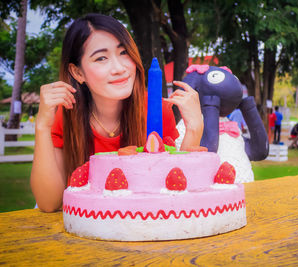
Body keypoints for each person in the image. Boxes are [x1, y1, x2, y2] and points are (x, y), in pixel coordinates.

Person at [30, 14, 203, 212]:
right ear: (77, 73)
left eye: (123, 53)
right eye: (101, 58)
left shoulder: (157, 110)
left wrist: (195, 129)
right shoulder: (65, 112)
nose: (120, 68)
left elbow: (177, 193)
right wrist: (42, 126)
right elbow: (48, 203)